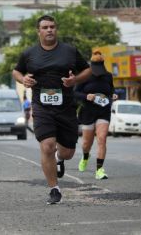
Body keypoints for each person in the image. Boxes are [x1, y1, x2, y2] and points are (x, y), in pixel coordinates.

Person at [12, 15, 91, 204]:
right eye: (45, 27)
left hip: (66, 107)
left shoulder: (69, 51)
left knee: (67, 153)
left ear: (56, 29)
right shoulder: (29, 53)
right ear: (38, 31)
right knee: (47, 145)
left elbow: (87, 70)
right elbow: (16, 71)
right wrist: (23, 79)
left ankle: (59, 158)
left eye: (52, 27)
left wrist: (75, 80)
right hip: (41, 106)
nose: (49, 30)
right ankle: (54, 189)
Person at [75, 49, 118, 180]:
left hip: (103, 111)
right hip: (88, 112)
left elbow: (111, 90)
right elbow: (75, 93)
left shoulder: (108, 75)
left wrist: (113, 95)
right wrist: (86, 96)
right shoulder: (84, 76)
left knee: (102, 139)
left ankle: (99, 170)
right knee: (87, 143)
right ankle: (85, 156)